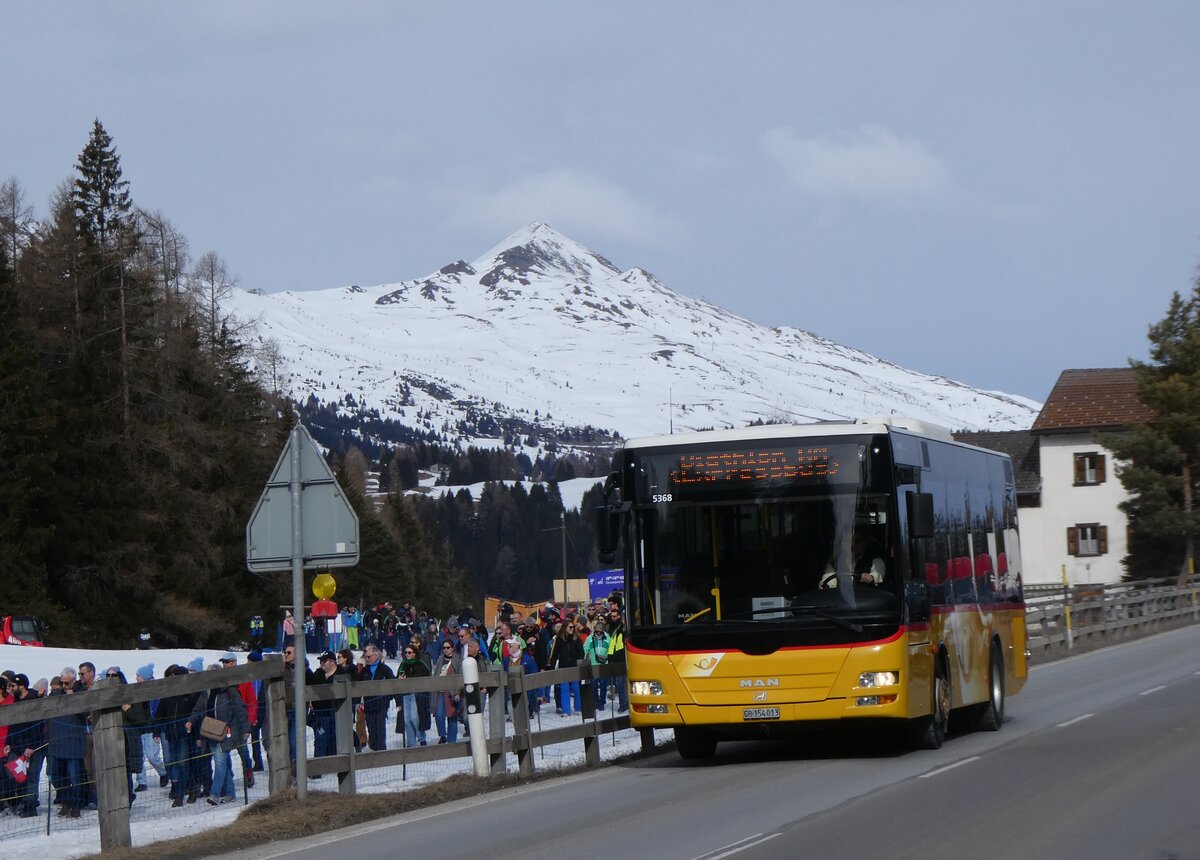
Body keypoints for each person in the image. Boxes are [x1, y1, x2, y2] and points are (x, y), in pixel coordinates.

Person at [193, 667, 250, 805]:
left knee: (220, 763)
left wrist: (245, 729)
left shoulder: (230, 691)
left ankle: (215, 794)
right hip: (210, 732)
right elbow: (199, 709)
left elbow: (240, 709)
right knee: (223, 763)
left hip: (227, 732)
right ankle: (230, 793)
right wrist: (190, 721)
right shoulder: (206, 692)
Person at [133, 663, 168, 792]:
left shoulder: (155, 693)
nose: (136, 678)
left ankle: (163, 772)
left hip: (151, 728)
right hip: (138, 728)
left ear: (145, 677)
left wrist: (157, 729)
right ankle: (141, 782)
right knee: (139, 756)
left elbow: (159, 712)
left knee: (152, 756)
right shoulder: (135, 692)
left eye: (138, 676)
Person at [357, 644, 397, 751]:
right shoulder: (364, 670)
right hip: (369, 704)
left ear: (376, 655)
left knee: (379, 727)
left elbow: (393, 684)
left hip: (381, 704)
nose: (367, 659)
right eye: (366, 657)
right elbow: (357, 685)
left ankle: (381, 750)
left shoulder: (385, 669)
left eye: (369, 657)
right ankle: (374, 748)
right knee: (371, 728)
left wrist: (388, 698)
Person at [548, 620, 584, 715]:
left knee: (576, 688)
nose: (572, 629)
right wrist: (552, 666)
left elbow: (581, 654)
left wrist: (580, 665)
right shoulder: (559, 640)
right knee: (564, 689)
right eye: (570, 627)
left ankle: (578, 708)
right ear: (565, 628)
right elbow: (555, 654)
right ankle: (566, 710)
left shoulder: (577, 639)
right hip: (563, 667)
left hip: (574, 667)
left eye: (573, 627)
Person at [309, 651, 340, 759]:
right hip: (321, 713)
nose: (321, 663)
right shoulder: (317, 674)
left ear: (332, 662)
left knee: (335, 739)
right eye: (320, 661)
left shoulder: (342, 674)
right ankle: (319, 765)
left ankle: (334, 762)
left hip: (338, 712)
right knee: (321, 739)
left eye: (324, 661)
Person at [397, 645, 430, 748]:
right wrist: (399, 678)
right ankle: (411, 742)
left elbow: (423, 678)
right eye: (406, 652)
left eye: (409, 652)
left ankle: (422, 738)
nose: (407, 654)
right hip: (405, 694)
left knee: (414, 717)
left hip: (416, 694)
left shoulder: (421, 664)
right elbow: (396, 678)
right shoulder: (403, 664)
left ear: (415, 653)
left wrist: (407, 679)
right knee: (406, 719)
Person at [584, 617, 611, 708]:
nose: (598, 633)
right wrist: (583, 661)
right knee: (594, 686)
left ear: (603, 631)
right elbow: (585, 650)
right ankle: (596, 701)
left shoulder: (608, 638)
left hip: (604, 665)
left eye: (600, 632)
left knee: (603, 686)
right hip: (594, 665)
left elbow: (610, 650)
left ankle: (602, 702)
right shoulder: (589, 638)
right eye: (597, 631)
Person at [607, 603, 628, 713]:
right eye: (612, 616)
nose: (612, 618)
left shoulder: (622, 628)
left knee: (622, 685)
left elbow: (622, 644)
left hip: (622, 659)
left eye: (615, 616)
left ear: (620, 617)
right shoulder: (611, 627)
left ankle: (624, 704)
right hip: (615, 659)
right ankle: (624, 703)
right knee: (620, 685)